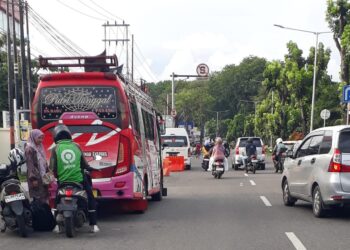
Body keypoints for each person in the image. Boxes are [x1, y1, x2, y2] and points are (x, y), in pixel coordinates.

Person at [49, 124, 100, 233]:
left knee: (57, 198)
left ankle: (56, 226)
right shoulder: (76, 146)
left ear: (56, 137)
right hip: (79, 179)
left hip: (63, 181)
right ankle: (94, 225)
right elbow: (85, 164)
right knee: (90, 197)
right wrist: (90, 168)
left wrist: (57, 175)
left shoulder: (55, 148)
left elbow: (52, 167)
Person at [25, 129, 50, 204]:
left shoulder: (39, 147)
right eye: (39, 138)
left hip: (42, 177)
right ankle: (38, 215)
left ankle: (44, 214)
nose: (41, 140)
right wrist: (33, 179)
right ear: (33, 137)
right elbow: (30, 165)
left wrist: (48, 172)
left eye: (42, 138)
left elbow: (43, 162)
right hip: (36, 178)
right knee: (38, 199)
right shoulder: (29, 149)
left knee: (44, 197)